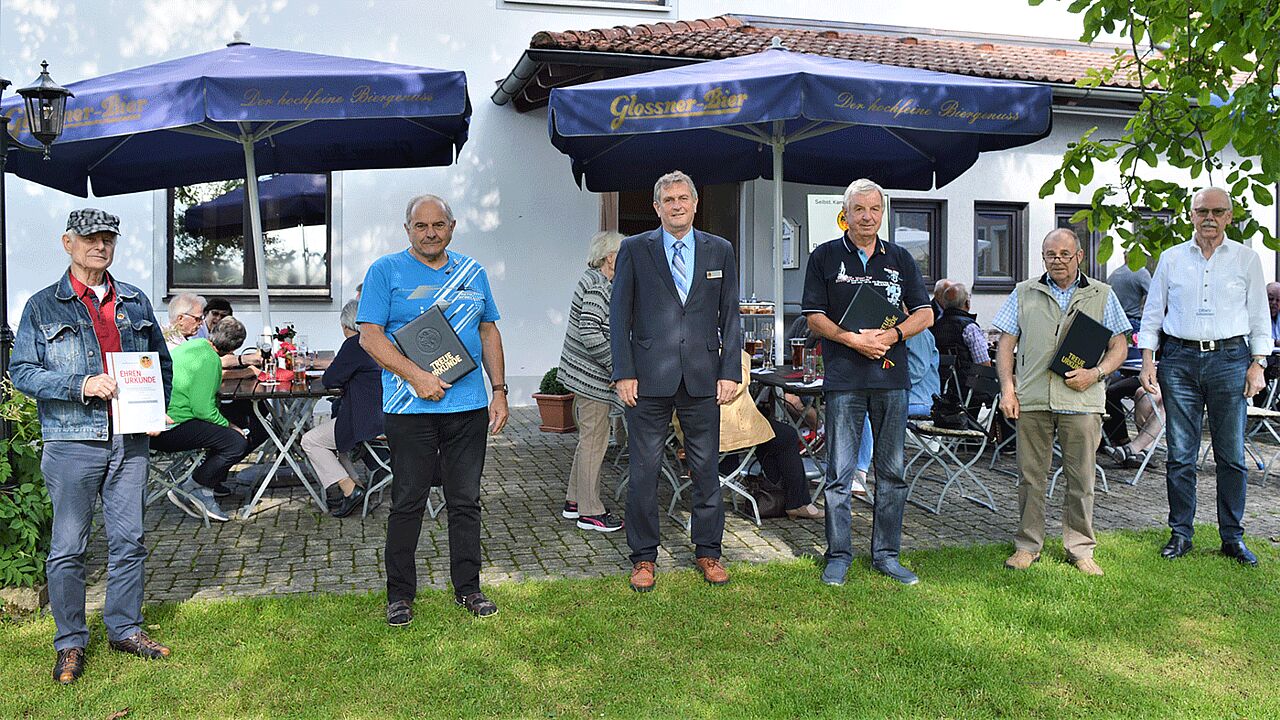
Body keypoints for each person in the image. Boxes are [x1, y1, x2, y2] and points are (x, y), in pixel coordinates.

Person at [11, 209, 174, 684]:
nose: (99, 246)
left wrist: (155, 409)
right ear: (67, 243)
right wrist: (80, 384)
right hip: (72, 440)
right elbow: (22, 371)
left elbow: (160, 365)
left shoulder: (136, 301)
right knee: (67, 547)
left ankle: (124, 628)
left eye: (107, 239)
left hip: (130, 440)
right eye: (89, 238)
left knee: (131, 541)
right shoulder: (44, 306)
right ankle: (70, 643)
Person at [358, 193, 509, 623]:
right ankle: (400, 595)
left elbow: (489, 330)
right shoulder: (385, 271)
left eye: (438, 225)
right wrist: (416, 377)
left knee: (466, 501)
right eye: (421, 226)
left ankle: (469, 590)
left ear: (452, 227)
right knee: (408, 501)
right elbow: (370, 337)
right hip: (409, 408)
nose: (430, 233)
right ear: (407, 229)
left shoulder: (472, 271)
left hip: (468, 407)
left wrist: (499, 390)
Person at [610, 170, 741, 592]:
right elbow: (619, 317)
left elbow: (730, 315)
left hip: (703, 377)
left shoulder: (720, 250)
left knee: (705, 470)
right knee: (644, 471)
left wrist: (730, 371)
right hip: (647, 379)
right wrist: (623, 371)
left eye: (684, 198)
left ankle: (708, 551)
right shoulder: (634, 249)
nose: (677, 205)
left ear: (695, 203)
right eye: (668, 200)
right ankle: (644, 558)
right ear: (656, 207)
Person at [802, 178, 933, 587]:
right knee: (840, 474)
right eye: (859, 210)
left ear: (882, 213)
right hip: (844, 378)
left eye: (874, 210)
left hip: (892, 380)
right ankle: (838, 555)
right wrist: (850, 339)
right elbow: (813, 316)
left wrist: (891, 336)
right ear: (846, 212)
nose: (867, 217)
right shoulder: (823, 257)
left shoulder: (900, 258)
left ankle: (886, 555)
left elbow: (925, 313)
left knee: (891, 472)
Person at [1137, 186, 1270, 566]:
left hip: (1231, 359)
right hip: (1178, 359)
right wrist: (1148, 359)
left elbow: (1259, 314)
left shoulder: (1246, 259)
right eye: (1201, 211)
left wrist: (1258, 363)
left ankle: (1232, 537)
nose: (1209, 218)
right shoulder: (1171, 258)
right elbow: (1153, 313)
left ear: (1229, 216)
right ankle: (1181, 534)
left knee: (1231, 455)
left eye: (1217, 211)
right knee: (1180, 454)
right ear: (1191, 216)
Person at [994, 228, 1130, 576]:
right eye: (1050, 254)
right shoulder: (1024, 291)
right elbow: (1006, 344)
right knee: (1030, 477)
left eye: (1064, 254)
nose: (1057, 260)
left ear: (1079, 256)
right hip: (1034, 399)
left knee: (1081, 478)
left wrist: (1096, 373)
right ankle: (1027, 545)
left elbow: (1120, 347)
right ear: (1043, 258)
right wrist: (1008, 390)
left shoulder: (1103, 294)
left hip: (1082, 400)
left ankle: (1080, 548)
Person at [695, 351, 824, 520]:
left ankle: (774, 495)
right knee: (785, 435)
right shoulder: (726, 353)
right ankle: (797, 503)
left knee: (768, 431)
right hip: (722, 430)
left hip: (694, 428)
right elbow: (735, 384)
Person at [557, 230, 626, 533]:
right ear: (611, 257)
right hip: (592, 379)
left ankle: (574, 502)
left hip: (583, 375)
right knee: (595, 443)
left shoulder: (592, 279)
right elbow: (590, 331)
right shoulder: (599, 285)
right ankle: (590, 512)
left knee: (588, 440)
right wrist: (616, 368)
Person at [151, 317, 251, 523]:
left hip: (158, 419)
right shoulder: (209, 360)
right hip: (172, 427)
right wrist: (230, 426)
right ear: (234, 348)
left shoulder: (193, 346)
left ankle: (210, 482)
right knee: (236, 441)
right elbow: (203, 409)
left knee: (244, 418)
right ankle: (195, 488)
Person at [300, 300, 383, 518]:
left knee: (310, 441)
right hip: (387, 417)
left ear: (347, 326)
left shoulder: (356, 343)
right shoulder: (381, 340)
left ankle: (349, 489)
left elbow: (330, 379)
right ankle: (355, 483)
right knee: (334, 439)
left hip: (366, 420)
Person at [932, 281, 992, 405]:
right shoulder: (969, 328)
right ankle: (1000, 423)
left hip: (944, 385)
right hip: (969, 386)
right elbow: (984, 364)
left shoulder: (935, 326)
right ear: (967, 303)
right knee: (1008, 384)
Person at [1108, 251, 1151, 335]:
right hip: (1134, 323)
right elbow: (1154, 297)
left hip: (1115, 324)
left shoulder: (1114, 274)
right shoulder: (1141, 273)